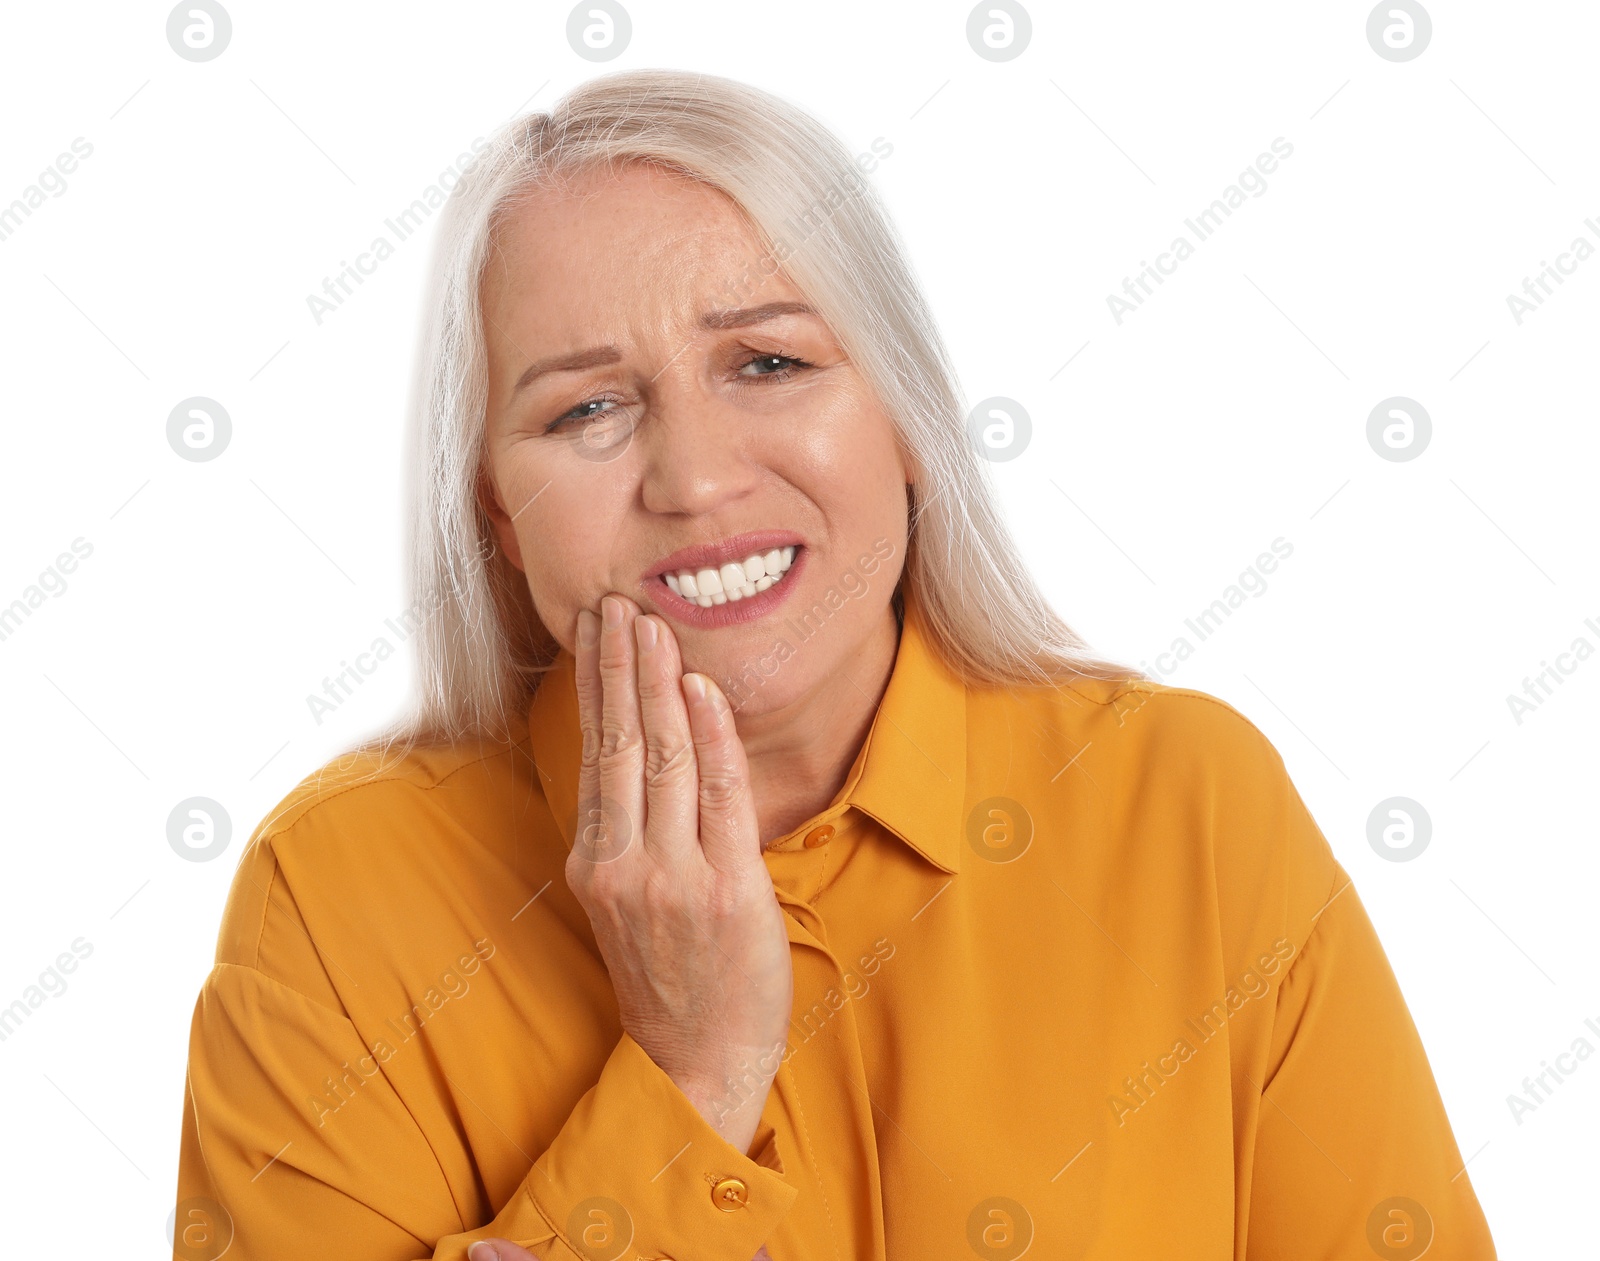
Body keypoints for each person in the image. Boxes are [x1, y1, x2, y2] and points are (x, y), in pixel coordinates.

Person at [170, 69, 1496, 1260]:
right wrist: (689, 1078)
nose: (693, 478)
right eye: (587, 407)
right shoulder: (333, 900)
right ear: (500, 518)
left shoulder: (1187, 802)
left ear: (911, 417)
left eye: (767, 360)